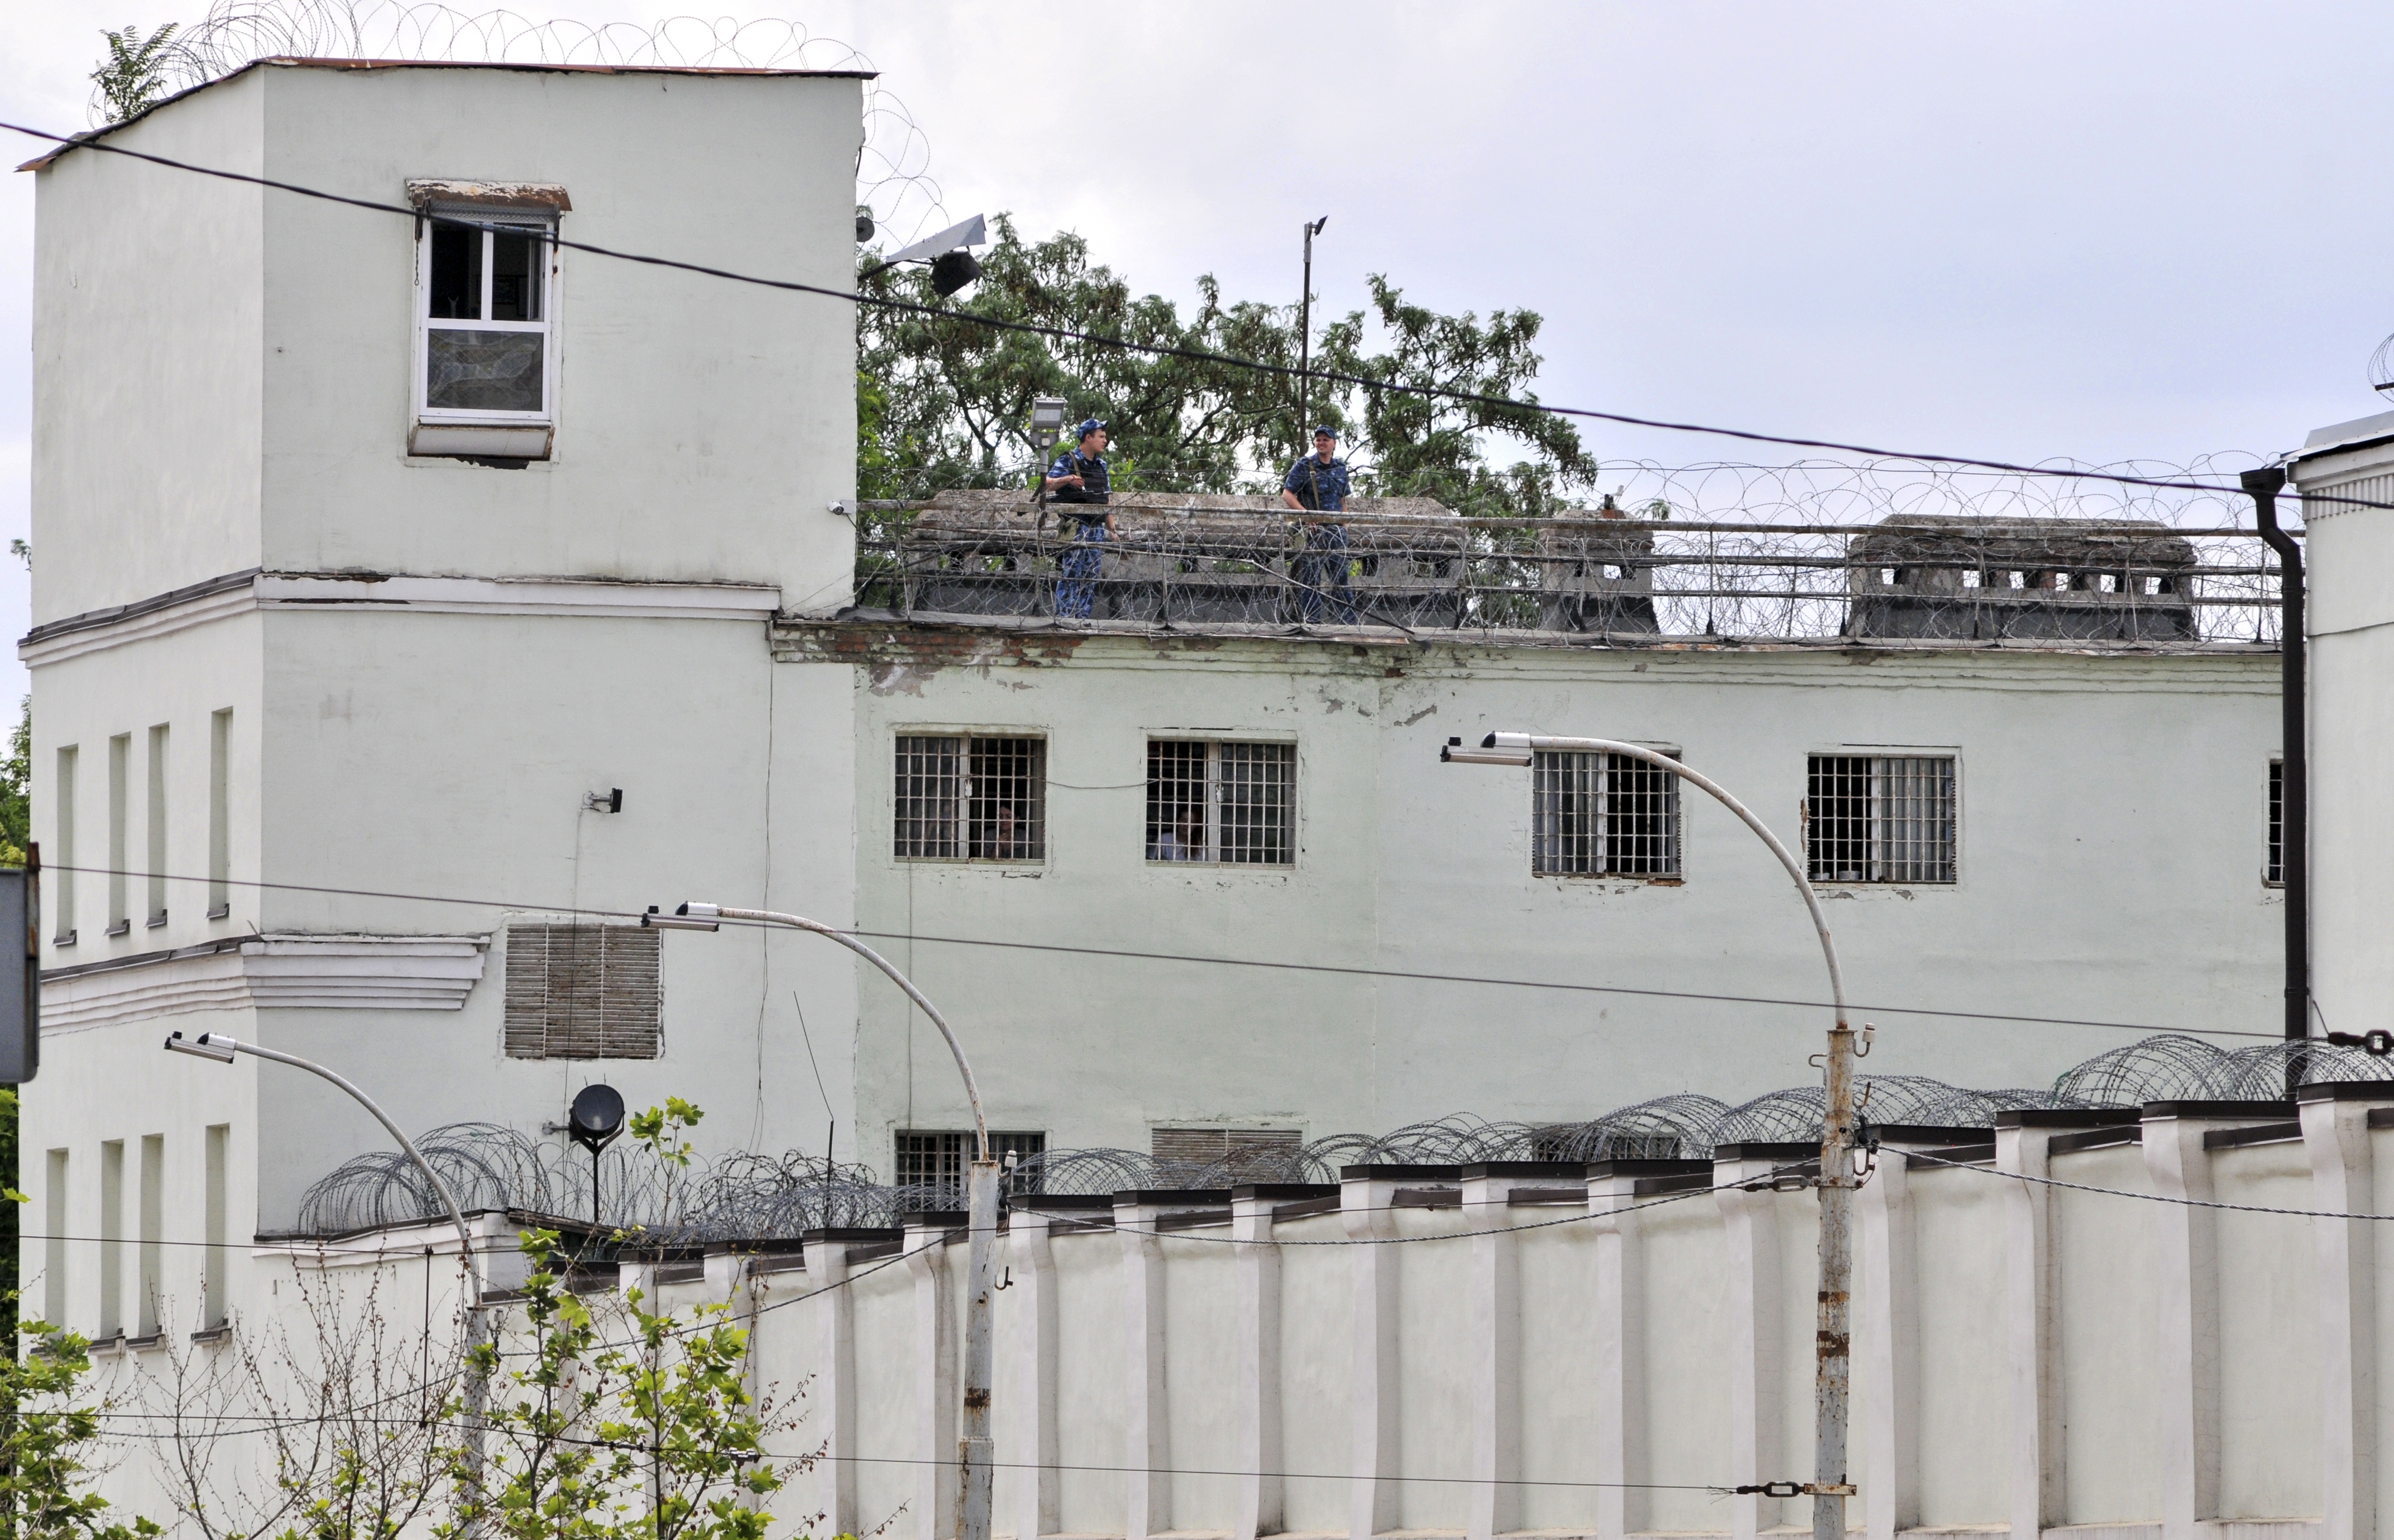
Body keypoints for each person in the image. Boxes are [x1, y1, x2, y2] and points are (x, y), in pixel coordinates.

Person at [1282, 425, 1357, 625]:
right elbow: (1287, 494)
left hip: (1336, 532)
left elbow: (1343, 501)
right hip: (1314, 532)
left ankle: (1348, 623)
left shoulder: (1340, 468)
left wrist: (1344, 526)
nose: (1321, 443)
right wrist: (1306, 515)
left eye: (1326, 439)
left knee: (1340, 579)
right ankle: (1312, 622)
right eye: (1318, 439)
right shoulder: (1305, 465)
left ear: (1334, 443)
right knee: (1311, 580)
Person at [1045, 419, 1115, 620]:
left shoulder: (1101, 465)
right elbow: (1046, 483)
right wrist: (1067, 479)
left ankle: (1082, 618)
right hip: (1076, 526)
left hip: (1096, 528)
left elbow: (1107, 499)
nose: (1105, 440)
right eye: (1101, 436)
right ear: (1088, 438)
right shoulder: (1069, 460)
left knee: (1090, 577)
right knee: (1072, 575)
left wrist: (1112, 530)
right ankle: (1064, 618)